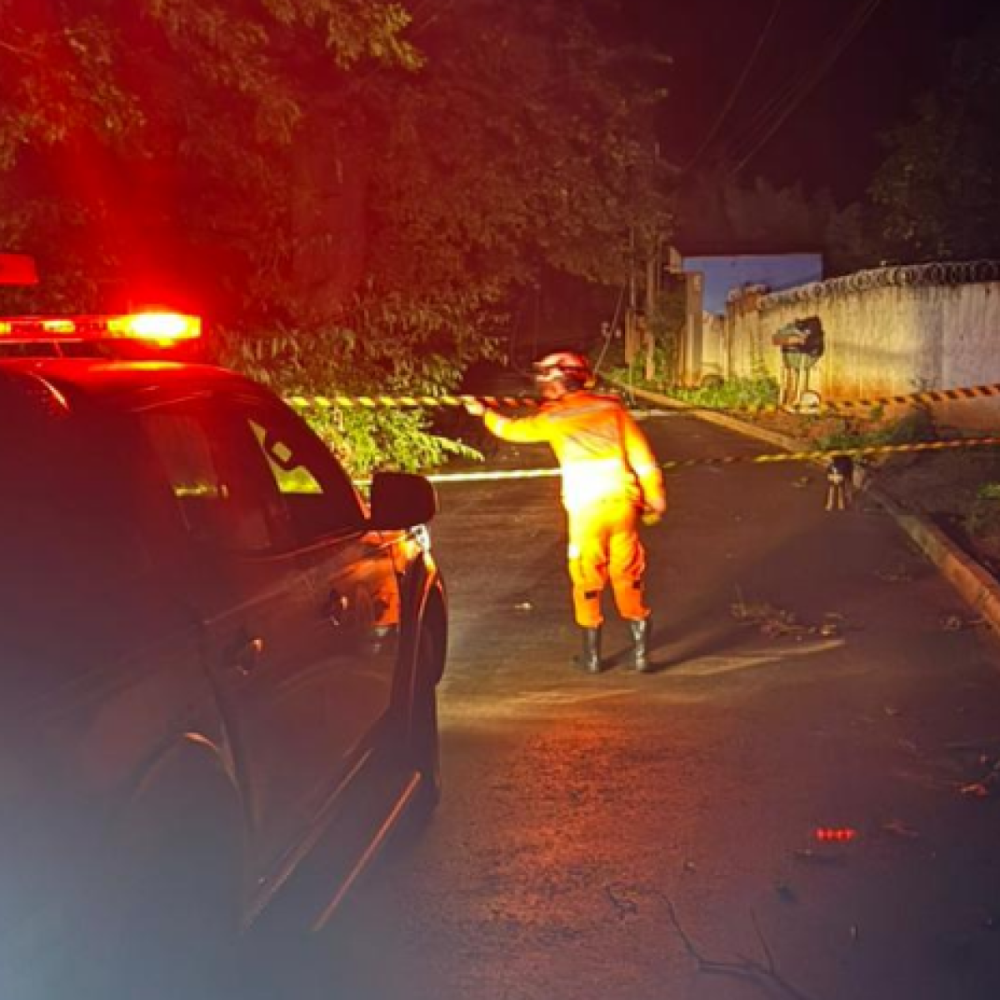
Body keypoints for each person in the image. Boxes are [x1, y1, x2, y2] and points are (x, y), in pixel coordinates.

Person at [465, 351, 666, 674]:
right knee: (627, 571)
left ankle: (592, 658)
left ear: (557, 381)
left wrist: (483, 412)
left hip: (586, 507)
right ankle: (642, 654)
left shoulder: (554, 418)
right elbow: (643, 457)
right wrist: (655, 496)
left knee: (586, 576)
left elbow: (512, 430)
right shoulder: (611, 409)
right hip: (622, 503)